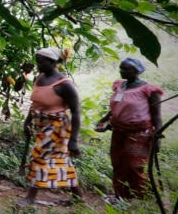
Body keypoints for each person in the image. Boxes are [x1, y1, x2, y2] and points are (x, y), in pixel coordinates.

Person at [17, 47, 83, 207]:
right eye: (37, 61)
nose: (38, 64)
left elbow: (76, 111)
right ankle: (78, 197)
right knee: (63, 161)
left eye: (41, 61)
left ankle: (31, 197)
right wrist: (28, 121)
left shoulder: (65, 85)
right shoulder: (39, 79)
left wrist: (73, 140)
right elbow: (36, 103)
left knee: (39, 156)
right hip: (42, 126)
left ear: (53, 62)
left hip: (57, 128)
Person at [95, 57, 163, 202]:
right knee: (118, 164)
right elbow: (115, 108)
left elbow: (157, 116)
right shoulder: (120, 86)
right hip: (119, 131)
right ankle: (121, 196)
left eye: (126, 68)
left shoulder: (148, 90)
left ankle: (144, 197)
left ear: (137, 71)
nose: (122, 71)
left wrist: (157, 137)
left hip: (139, 132)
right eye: (121, 68)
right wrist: (104, 121)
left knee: (134, 166)